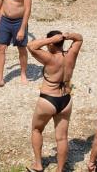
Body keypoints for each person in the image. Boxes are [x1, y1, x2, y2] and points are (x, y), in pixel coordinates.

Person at [27, 31, 83, 172]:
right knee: (62, 138)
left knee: (37, 129)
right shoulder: (71, 55)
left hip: (48, 99)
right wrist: (68, 35)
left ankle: (38, 165)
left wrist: (50, 39)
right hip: (65, 100)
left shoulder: (50, 58)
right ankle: (59, 169)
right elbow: (79, 39)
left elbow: (31, 46)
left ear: (51, 43)